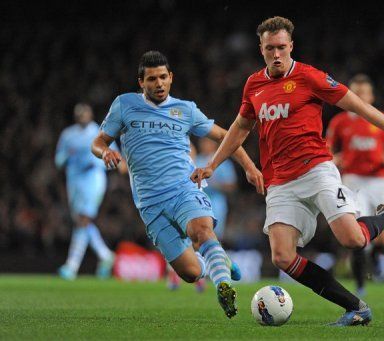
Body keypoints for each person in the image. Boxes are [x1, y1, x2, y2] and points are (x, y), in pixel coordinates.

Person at [191, 16, 384, 327]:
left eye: (281, 48)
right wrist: (211, 165)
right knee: (282, 256)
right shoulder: (254, 84)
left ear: (291, 47)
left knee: (353, 239)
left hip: (317, 170)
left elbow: (359, 107)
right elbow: (240, 128)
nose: (276, 54)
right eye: (269, 48)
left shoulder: (309, 77)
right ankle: (355, 308)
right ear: (260, 49)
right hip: (280, 183)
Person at [91, 51, 263, 319]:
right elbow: (98, 142)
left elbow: (225, 136)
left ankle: (223, 286)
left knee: (201, 229)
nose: (158, 83)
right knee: (191, 272)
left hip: (184, 189)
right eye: (151, 79)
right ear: (141, 82)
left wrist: (250, 167)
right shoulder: (124, 105)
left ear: (170, 78)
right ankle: (221, 263)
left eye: (162, 77)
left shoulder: (185, 109)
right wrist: (106, 153)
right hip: (150, 204)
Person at [326, 74, 384, 297]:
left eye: (363, 93)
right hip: (353, 181)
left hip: (379, 180)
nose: (359, 96)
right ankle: (360, 285)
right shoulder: (340, 122)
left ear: (371, 96)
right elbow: (327, 148)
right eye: (355, 92)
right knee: (357, 231)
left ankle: (376, 257)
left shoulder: (379, 118)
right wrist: (334, 158)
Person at [55, 103, 118, 280]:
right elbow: (59, 159)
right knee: (81, 221)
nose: (82, 116)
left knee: (83, 219)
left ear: (90, 114)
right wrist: (68, 156)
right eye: (79, 114)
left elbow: (113, 155)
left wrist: (99, 162)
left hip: (93, 178)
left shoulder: (99, 132)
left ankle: (71, 266)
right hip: (74, 180)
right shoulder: (68, 135)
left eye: (85, 113)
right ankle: (106, 256)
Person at [167, 138, 238, 291]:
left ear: (215, 145)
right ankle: (196, 275)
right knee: (191, 239)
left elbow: (232, 185)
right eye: (203, 142)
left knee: (211, 238)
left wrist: (215, 184)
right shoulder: (197, 159)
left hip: (216, 202)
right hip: (194, 202)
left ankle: (213, 274)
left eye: (208, 142)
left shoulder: (222, 162)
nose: (205, 144)